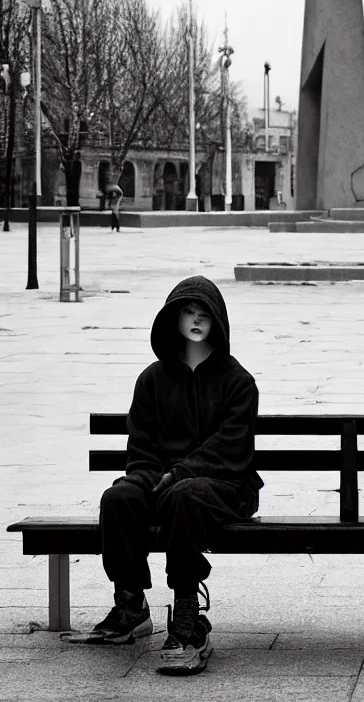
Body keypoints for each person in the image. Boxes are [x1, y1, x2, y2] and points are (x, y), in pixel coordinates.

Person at [88, 276, 263, 675]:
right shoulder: (153, 379)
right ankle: (130, 603)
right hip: (162, 480)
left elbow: (231, 447)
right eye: (188, 312)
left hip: (225, 484)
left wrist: (180, 473)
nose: (197, 321)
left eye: (205, 314)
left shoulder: (238, 382)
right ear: (173, 319)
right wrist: (149, 477)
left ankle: (188, 615)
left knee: (186, 494)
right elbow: (142, 445)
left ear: (218, 322)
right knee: (118, 498)